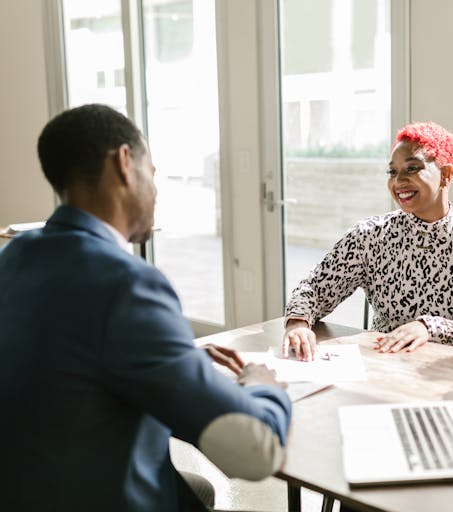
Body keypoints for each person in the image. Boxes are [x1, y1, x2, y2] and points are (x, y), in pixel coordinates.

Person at [0, 104, 292, 511]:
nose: (156, 191)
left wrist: (174, 357)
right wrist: (263, 385)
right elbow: (254, 449)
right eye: (152, 173)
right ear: (124, 163)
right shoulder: (126, 284)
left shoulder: (14, 256)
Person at [283, 121, 453, 361]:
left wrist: (429, 327)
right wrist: (298, 323)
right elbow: (314, 288)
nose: (398, 181)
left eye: (412, 168)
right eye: (392, 172)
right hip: (382, 366)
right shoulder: (369, 235)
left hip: (446, 374)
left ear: (446, 175)